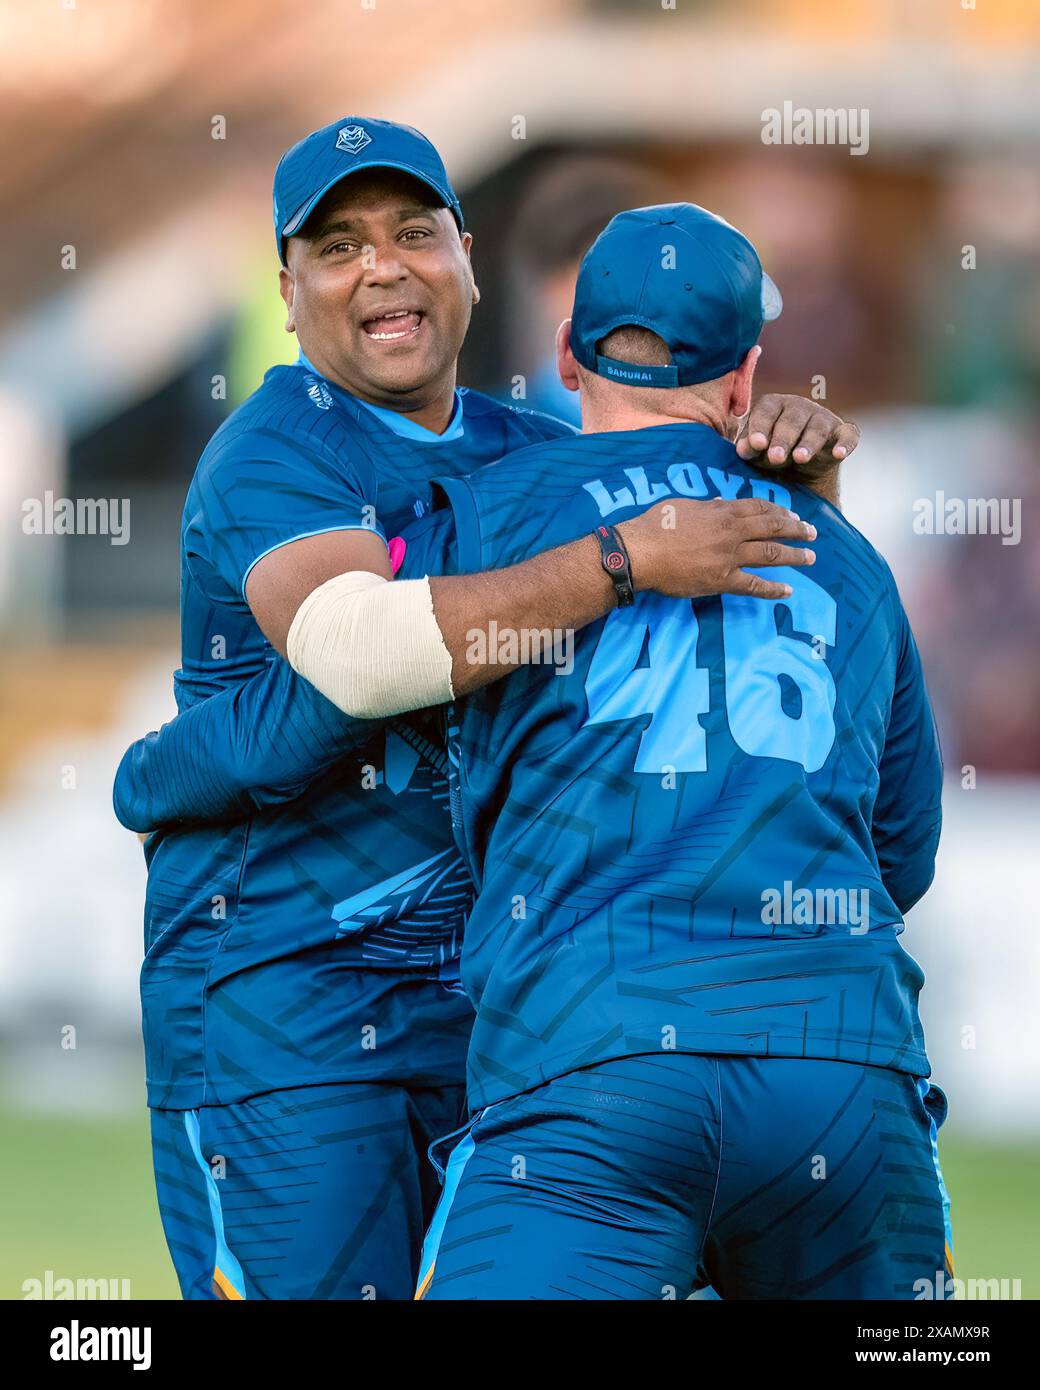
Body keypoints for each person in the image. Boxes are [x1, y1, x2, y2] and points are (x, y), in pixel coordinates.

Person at [114, 117, 857, 1301]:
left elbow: (702, 674)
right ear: (289, 288)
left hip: (494, 1004)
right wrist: (623, 555)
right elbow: (358, 657)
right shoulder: (273, 449)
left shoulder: (537, 450)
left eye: (413, 232)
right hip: (288, 1007)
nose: (382, 266)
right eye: (338, 245)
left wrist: (799, 487)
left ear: (465, 253)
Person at [391, 204, 950, 1300]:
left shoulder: (484, 517)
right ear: (743, 378)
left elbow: (364, 699)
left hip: (591, 1067)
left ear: (563, 354)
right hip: (842, 1075)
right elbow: (901, 852)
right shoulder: (845, 555)